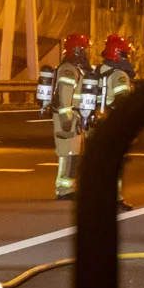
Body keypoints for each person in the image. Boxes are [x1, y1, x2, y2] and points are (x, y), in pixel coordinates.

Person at [50, 33, 93, 200]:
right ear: (76, 50)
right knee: (67, 154)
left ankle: (68, 188)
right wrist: (66, 119)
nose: (85, 53)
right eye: (83, 49)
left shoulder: (75, 68)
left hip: (74, 116)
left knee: (73, 154)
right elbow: (64, 95)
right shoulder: (68, 69)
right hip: (67, 117)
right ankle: (63, 190)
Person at [96, 34, 137, 210]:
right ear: (118, 54)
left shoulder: (97, 71)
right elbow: (123, 102)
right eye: (126, 54)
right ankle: (115, 199)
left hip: (95, 122)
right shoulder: (119, 74)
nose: (128, 58)